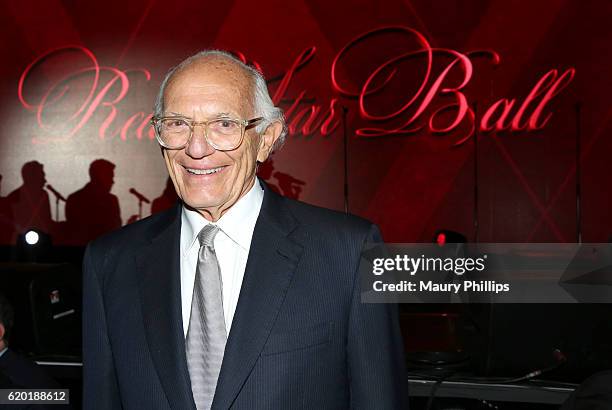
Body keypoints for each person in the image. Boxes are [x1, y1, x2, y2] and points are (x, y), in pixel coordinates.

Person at [82, 50, 407, 409]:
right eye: (177, 124)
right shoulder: (109, 262)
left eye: (224, 124)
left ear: (266, 139)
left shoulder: (350, 252)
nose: (196, 147)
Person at [65, 159, 121, 244]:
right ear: (99, 176)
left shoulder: (74, 198)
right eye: (110, 176)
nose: (112, 181)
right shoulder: (76, 200)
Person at [6, 161, 53, 242]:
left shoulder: (44, 195)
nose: (45, 180)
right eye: (41, 176)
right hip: (20, 242)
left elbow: (47, 220)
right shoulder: (14, 196)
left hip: (42, 239)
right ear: (32, 177)